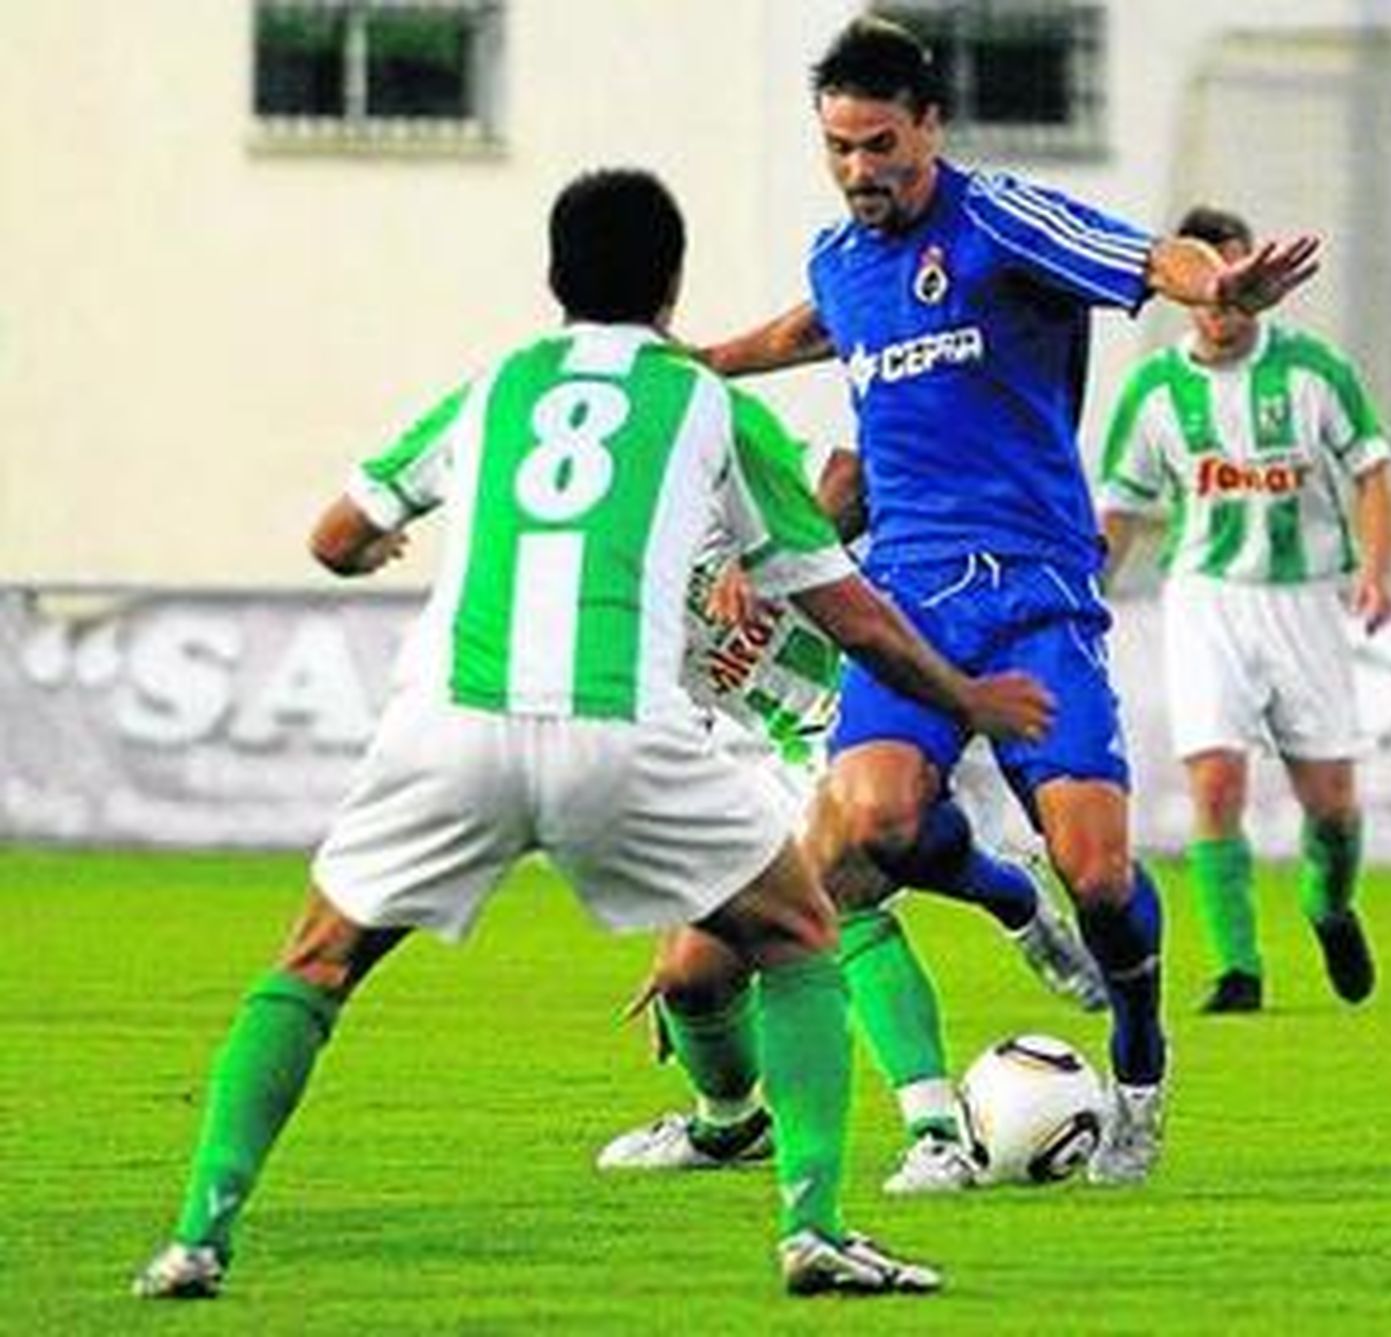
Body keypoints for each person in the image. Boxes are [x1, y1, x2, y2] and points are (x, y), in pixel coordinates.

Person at [130, 168, 1057, 1301]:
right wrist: (963, 696)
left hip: (453, 728)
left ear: (551, 280)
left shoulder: (494, 387)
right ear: (673, 283)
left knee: (315, 963)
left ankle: (196, 1238)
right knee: (804, 935)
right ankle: (813, 1224)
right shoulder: (711, 405)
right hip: (623, 734)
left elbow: (336, 536)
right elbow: (846, 605)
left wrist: (374, 552)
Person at [622, 16, 1322, 1192]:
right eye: (838, 147)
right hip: (907, 598)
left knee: (1100, 873)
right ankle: (998, 917)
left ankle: (1139, 1063)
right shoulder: (843, 259)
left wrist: (1218, 284)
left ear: (929, 127)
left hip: (1039, 595)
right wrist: (694, 361)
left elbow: (1148, 257)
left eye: (879, 144)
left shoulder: (999, 219)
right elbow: (816, 326)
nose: (859, 170)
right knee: (877, 823)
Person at [593, 515, 1105, 1181]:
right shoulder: (611, 634)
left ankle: (936, 1136)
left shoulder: (707, 484)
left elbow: (845, 475)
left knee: (835, 896)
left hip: (882, 699)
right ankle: (730, 1126)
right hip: (779, 758)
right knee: (691, 975)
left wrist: (760, 556)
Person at [1098, 205, 1391, 1015]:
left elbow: (1371, 470)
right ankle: (1237, 968)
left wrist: (1377, 570)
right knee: (1217, 780)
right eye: (1209, 295)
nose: (1221, 311)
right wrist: (1084, 597)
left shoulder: (1314, 372)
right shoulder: (1155, 390)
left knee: (1331, 802)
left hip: (1302, 598)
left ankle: (1329, 904)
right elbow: (1120, 503)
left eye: (1237, 294)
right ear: (1186, 291)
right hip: (1205, 600)